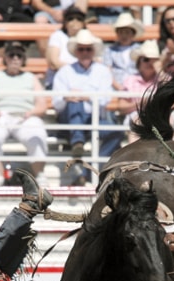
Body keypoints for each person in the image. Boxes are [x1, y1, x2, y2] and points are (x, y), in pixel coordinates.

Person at [52, 29, 124, 184]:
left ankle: (83, 168)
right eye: (81, 49)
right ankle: (78, 142)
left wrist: (83, 96)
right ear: (76, 51)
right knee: (73, 102)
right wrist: (69, 97)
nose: (84, 52)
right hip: (71, 120)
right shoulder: (65, 71)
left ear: (93, 51)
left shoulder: (102, 71)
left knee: (117, 132)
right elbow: (57, 103)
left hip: (94, 119)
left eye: (88, 49)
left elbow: (105, 100)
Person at [0, 42, 49, 187]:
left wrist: (32, 113)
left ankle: (39, 175)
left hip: (25, 117)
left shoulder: (31, 78)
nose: (15, 58)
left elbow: (42, 106)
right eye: (12, 55)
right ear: (6, 58)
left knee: (37, 133)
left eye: (19, 55)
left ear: (23, 59)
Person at [118, 40, 161, 143]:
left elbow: (170, 90)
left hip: (160, 116)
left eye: (153, 60)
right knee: (136, 120)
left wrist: (159, 69)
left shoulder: (163, 78)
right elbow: (121, 107)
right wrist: (142, 103)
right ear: (138, 62)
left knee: (168, 121)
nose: (149, 63)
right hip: (136, 117)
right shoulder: (130, 80)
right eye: (146, 59)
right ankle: (135, 157)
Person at [44, 6, 86, 89]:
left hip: (83, 83)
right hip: (58, 82)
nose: (75, 22)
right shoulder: (57, 36)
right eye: (70, 19)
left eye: (79, 19)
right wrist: (78, 70)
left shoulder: (89, 38)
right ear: (65, 22)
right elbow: (54, 63)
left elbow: (96, 62)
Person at [102, 11, 144, 91]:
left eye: (127, 32)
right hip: (115, 88)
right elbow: (107, 71)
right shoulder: (109, 50)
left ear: (133, 34)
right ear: (117, 33)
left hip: (137, 87)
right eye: (121, 32)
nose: (124, 35)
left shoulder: (140, 49)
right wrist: (118, 87)